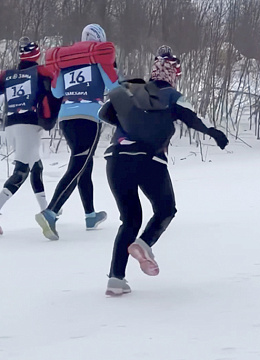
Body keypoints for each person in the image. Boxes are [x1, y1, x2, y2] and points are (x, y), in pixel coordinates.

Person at [100, 48, 228, 296]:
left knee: (130, 219)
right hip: (149, 159)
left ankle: (116, 279)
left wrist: (128, 122)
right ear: (173, 74)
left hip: (117, 158)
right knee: (165, 209)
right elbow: (192, 118)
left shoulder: (131, 88)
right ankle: (144, 244)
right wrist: (214, 133)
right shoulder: (171, 95)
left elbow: (103, 112)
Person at [35, 24, 119, 240]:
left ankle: (90, 215)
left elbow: (57, 92)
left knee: (83, 164)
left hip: (66, 118)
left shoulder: (67, 61)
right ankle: (51, 212)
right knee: (78, 164)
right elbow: (113, 86)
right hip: (89, 117)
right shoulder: (98, 58)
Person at [0, 38, 60, 235]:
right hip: (29, 124)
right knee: (21, 172)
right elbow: (55, 85)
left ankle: (46, 209)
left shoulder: (7, 75)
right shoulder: (40, 71)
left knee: (37, 167)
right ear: (36, 55)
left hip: (10, 125)